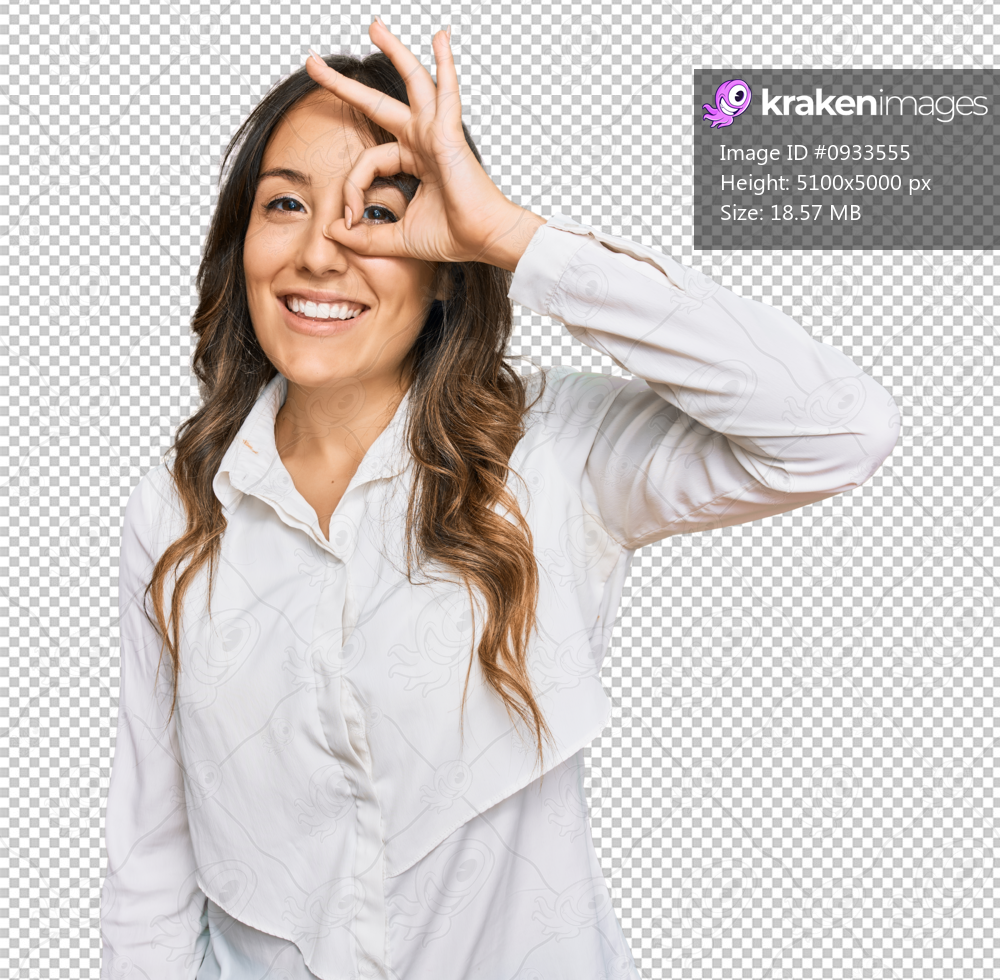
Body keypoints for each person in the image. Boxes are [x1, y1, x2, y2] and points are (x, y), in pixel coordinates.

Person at [99, 18, 901, 980]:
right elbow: (155, 854)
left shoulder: (553, 451)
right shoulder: (178, 510)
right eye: (283, 205)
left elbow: (838, 430)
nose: (319, 253)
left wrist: (515, 239)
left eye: (380, 211)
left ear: (446, 264)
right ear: (241, 244)